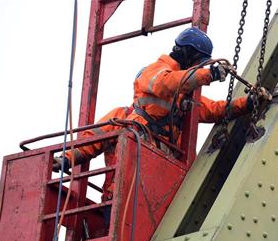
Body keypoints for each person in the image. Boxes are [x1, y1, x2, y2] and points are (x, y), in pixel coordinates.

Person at [53, 27, 263, 202]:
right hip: (123, 194)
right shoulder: (152, 76)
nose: (200, 65)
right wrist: (67, 159)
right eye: (199, 61)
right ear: (187, 54)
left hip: (160, 192)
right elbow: (90, 140)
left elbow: (214, 109)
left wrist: (248, 103)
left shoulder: (182, 99)